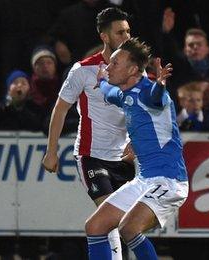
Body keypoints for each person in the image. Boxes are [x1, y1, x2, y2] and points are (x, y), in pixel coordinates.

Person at [42, 7, 134, 260]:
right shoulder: (83, 70)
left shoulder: (136, 69)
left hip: (123, 158)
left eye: (128, 31)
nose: (127, 37)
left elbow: (143, 111)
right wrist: (51, 152)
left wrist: (136, 143)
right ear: (105, 36)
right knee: (108, 216)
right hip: (91, 154)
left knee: (127, 222)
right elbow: (60, 110)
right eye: (120, 32)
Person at [87, 38, 188, 260]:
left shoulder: (148, 92)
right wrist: (102, 80)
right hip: (143, 180)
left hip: (168, 180)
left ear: (133, 69)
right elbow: (107, 91)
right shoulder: (122, 93)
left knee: (128, 228)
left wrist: (160, 85)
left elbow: (155, 98)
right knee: (95, 226)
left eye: (115, 63)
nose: (109, 67)